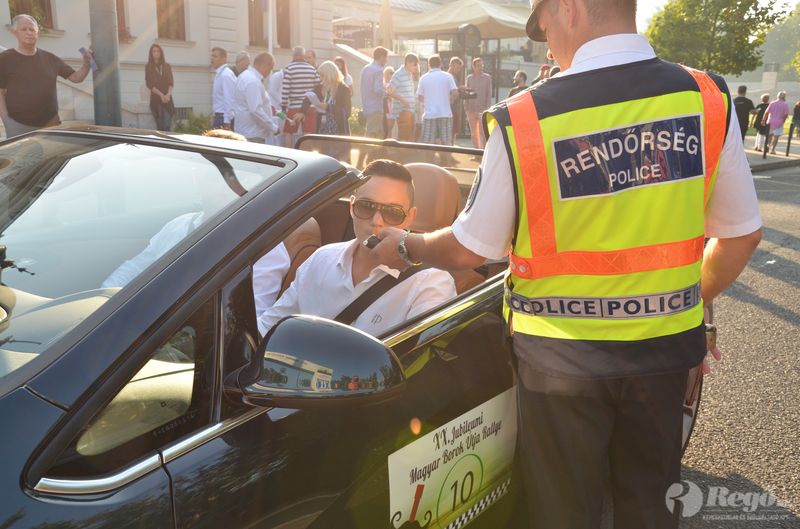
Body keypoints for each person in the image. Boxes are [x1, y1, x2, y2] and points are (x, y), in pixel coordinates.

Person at [369, 0, 762, 527]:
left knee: (562, 513)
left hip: (559, 365)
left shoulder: (525, 118)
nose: (547, 42)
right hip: (663, 356)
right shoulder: (705, 98)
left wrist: (406, 245)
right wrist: (686, 303)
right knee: (651, 509)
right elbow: (742, 235)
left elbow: (469, 249)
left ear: (569, 9)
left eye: (544, 25)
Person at [258, 159, 456, 336]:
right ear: (352, 207)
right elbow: (268, 328)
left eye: (393, 212)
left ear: (410, 218)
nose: (377, 221)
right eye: (366, 206)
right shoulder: (321, 259)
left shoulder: (431, 283)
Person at [103, 127, 290, 294]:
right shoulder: (178, 227)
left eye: (232, 174)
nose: (225, 184)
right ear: (196, 177)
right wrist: (102, 298)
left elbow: (254, 317)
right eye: (213, 175)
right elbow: (134, 270)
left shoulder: (264, 245)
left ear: (247, 179)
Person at [0, 14, 93, 138]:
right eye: (24, 29)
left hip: (51, 127)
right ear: (15, 32)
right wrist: (6, 120)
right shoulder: (5, 59)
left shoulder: (50, 58)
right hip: (19, 127)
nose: (29, 33)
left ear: (37, 33)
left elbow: (76, 78)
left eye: (32, 29)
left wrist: (86, 64)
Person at [233, 52, 281, 144]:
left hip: (247, 131)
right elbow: (255, 110)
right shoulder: (253, 81)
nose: (269, 72)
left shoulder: (245, 75)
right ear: (266, 65)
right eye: (270, 68)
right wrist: (273, 128)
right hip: (252, 134)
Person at [281, 46, 320, 147]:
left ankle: (289, 153)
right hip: (310, 106)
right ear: (303, 56)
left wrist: (283, 107)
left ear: (293, 55)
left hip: (295, 106)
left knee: (288, 133)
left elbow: (285, 90)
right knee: (307, 135)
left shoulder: (289, 68)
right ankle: (306, 154)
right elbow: (318, 89)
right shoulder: (312, 69)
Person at [300, 60, 351, 136]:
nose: (320, 78)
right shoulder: (319, 87)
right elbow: (308, 98)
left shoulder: (343, 89)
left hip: (338, 129)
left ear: (329, 75)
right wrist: (302, 112)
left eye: (322, 76)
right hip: (322, 127)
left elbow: (347, 112)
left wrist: (328, 107)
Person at [417, 55, 457, 146]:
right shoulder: (448, 76)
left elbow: (420, 97)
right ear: (440, 64)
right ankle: (445, 156)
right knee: (446, 142)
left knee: (427, 143)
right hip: (445, 113)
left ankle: (428, 155)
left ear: (429, 64)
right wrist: (450, 99)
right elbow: (455, 92)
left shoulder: (423, 78)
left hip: (429, 114)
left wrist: (428, 102)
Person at [388, 53, 420, 142]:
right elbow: (389, 90)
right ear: (408, 63)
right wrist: (403, 100)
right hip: (402, 112)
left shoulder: (409, 74)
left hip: (410, 111)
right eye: (414, 64)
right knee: (404, 139)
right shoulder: (398, 74)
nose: (416, 67)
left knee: (409, 139)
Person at [360, 46, 389, 138]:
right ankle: (363, 148)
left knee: (380, 134)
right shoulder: (378, 70)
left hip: (366, 106)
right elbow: (378, 90)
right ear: (382, 57)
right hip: (376, 107)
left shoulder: (366, 68)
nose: (386, 60)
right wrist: (387, 94)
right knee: (372, 134)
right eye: (386, 57)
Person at [145, 43, 175, 131]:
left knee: (167, 126)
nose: (156, 53)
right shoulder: (148, 67)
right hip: (156, 99)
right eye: (154, 51)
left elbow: (171, 82)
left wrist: (168, 95)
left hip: (167, 99)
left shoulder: (167, 66)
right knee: (160, 127)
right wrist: (161, 95)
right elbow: (149, 84)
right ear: (151, 53)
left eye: (158, 51)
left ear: (161, 53)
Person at [465, 57, 492, 148]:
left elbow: (489, 94)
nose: (480, 67)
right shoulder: (469, 78)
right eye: (478, 65)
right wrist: (466, 108)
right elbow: (466, 93)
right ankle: (476, 152)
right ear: (474, 67)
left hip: (483, 109)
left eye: (481, 65)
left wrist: (487, 109)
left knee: (482, 133)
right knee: (473, 133)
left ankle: (482, 152)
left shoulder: (487, 78)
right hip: (471, 109)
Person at [210, 47, 236, 129]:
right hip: (219, 116)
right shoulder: (220, 74)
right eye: (211, 56)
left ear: (224, 59)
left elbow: (229, 99)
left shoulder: (226, 75)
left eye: (215, 56)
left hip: (223, 118)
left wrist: (227, 121)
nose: (212, 59)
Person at [447, 57, 465, 144]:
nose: (459, 70)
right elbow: (449, 93)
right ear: (452, 65)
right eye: (457, 68)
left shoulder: (453, 77)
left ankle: (451, 147)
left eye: (459, 68)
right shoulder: (448, 77)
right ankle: (450, 147)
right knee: (451, 130)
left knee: (453, 131)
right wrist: (459, 89)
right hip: (450, 108)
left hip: (454, 108)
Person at [383, 66, 396, 138]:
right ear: (386, 74)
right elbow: (390, 97)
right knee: (388, 130)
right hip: (387, 109)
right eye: (391, 73)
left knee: (390, 130)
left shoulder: (392, 85)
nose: (392, 74)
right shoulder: (384, 85)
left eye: (393, 73)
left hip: (392, 109)